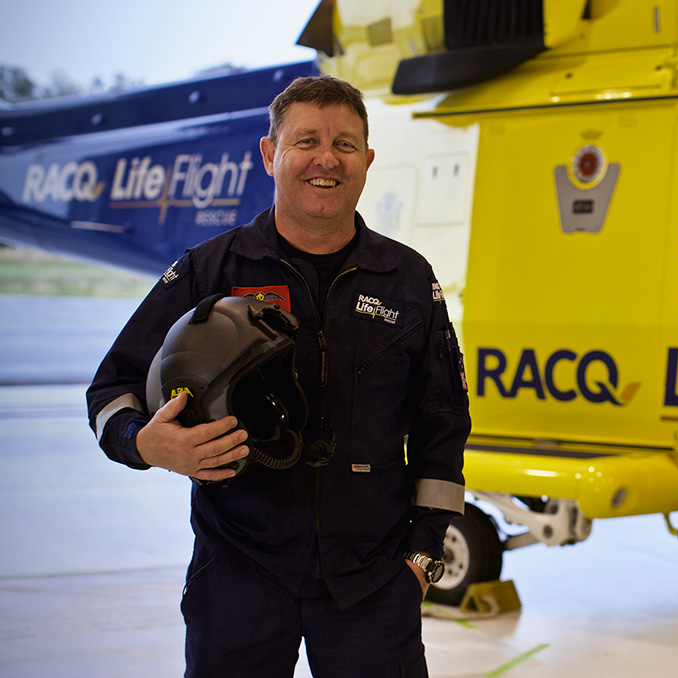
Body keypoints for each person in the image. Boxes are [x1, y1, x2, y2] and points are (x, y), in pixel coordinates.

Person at [86, 74, 470, 677]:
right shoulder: (208, 271)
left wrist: (423, 558)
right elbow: (111, 388)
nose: (326, 159)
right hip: (239, 572)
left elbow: (443, 426)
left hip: (372, 580)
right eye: (305, 141)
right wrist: (144, 442)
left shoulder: (408, 281)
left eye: (345, 144)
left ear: (367, 160)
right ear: (271, 155)